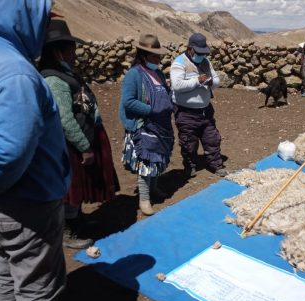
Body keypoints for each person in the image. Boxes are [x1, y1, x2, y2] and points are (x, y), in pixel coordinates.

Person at [0, 1, 70, 301]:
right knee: (38, 290)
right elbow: (13, 148)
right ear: (22, 15)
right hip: (26, 204)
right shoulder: (15, 72)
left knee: (8, 272)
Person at [39, 19, 120, 249]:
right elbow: (64, 118)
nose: (75, 53)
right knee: (70, 188)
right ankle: (66, 230)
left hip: (81, 138)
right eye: (71, 49)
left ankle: (77, 219)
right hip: (69, 146)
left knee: (80, 185)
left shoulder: (65, 74)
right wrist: (83, 145)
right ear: (58, 52)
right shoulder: (54, 80)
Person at [120, 34, 174, 216]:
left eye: (159, 56)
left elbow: (164, 92)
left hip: (161, 125)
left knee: (159, 158)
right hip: (144, 125)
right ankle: (144, 198)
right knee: (146, 162)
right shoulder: (133, 75)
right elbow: (128, 101)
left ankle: (154, 187)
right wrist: (151, 110)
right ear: (143, 55)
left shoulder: (158, 73)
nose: (158, 60)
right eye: (154, 56)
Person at [170, 33, 226, 177]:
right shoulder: (179, 63)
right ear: (190, 49)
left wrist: (211, 82)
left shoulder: (206, 62)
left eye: (203, 53)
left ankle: (216, 165)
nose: (201, 55)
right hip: (186, 112)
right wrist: (197, 81)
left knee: (212, 138)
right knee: (189, 142)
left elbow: (216, 79)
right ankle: (190, 166)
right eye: (199, 53)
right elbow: (177, 85)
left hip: (205, 110)